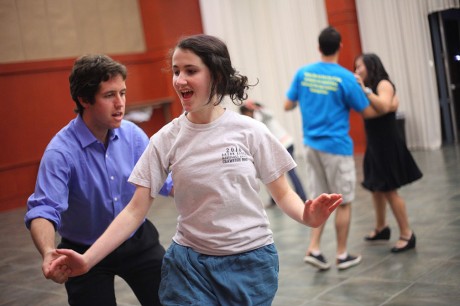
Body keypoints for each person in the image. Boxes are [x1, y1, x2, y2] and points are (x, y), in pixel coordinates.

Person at [49, 34, 343, 306]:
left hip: (251, 263)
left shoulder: (251, 131)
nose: (179, 80)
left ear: (216, 74)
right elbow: (133, 211)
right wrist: (87, 261)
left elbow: (283, 194)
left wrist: (307, 216)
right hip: (189, 266)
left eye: (190, 70)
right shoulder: (166, 139)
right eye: (176, 71)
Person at [24, 54, 173, 306]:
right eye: (109, 95)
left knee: (170, 300)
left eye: (122, 93)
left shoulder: (133, 136)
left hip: (136, 240)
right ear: (84, 100)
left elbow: (167, 182)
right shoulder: (60, 152)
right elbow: (43, 209)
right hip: (83, 248)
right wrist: (49, 251)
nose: (120, 103)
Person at [284, 26, 383, 271]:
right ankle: (341, 254)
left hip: (311, 146)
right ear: (340, 47)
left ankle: (314, 249)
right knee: (342, 202)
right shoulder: (346, 78)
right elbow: (368, 112)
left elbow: (287, 105)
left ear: (319, 47)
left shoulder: (303, 73)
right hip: (336, 148)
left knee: (318, 201)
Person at [354, 53, 422, 253]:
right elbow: (373, 111)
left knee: (390, 190)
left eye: (360, 67)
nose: (357, 71)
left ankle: (407, 234)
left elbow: (381, 106)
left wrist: (368, 93)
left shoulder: (383, 84)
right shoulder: (370, 90)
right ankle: (381, 227)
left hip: (387, 144)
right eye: (355, 68)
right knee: (376, 187)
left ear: (371, 66)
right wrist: (386, 106)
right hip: (375, 144)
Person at [240, 100, 307, 204]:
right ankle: (273, 200)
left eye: (247, 111)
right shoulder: (252, 121)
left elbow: (269, 114)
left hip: (286, 144)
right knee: (268, 173)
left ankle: (302, 197)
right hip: (274, 148)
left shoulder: (262, 115)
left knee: (291, 172)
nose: (246, 114)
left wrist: (256, 107)